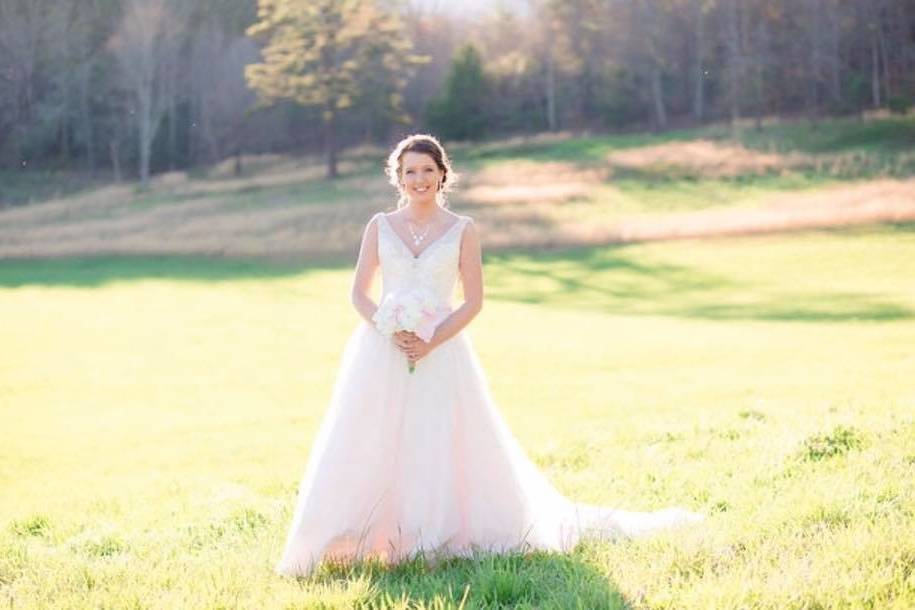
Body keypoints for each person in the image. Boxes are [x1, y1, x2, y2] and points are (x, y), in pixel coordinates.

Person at [275, 134, 704, 577]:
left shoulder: (462, 229)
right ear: (397, 178)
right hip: (381, 351)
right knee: (371, 439)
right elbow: (359, 295)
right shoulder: (379, 226)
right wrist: (391, 328)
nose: (419, 179)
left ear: (443, 174)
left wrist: (430, 339)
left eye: (427, 170)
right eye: (410, 172)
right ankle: (362, 535)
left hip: (441, 351)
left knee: (436, 439)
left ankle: (431, 536)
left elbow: (472, 301)